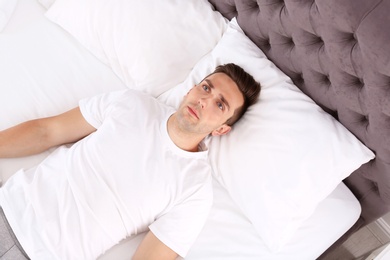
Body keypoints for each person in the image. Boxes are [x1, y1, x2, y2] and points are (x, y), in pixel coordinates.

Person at [0, 63, 261, 260]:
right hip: (8, 203)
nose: (204, 100)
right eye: (206, 87)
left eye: (220, 105)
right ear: (191, 89)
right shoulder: (132, 103)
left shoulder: (195, 191)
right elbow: (47, 131)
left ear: (221, 130)